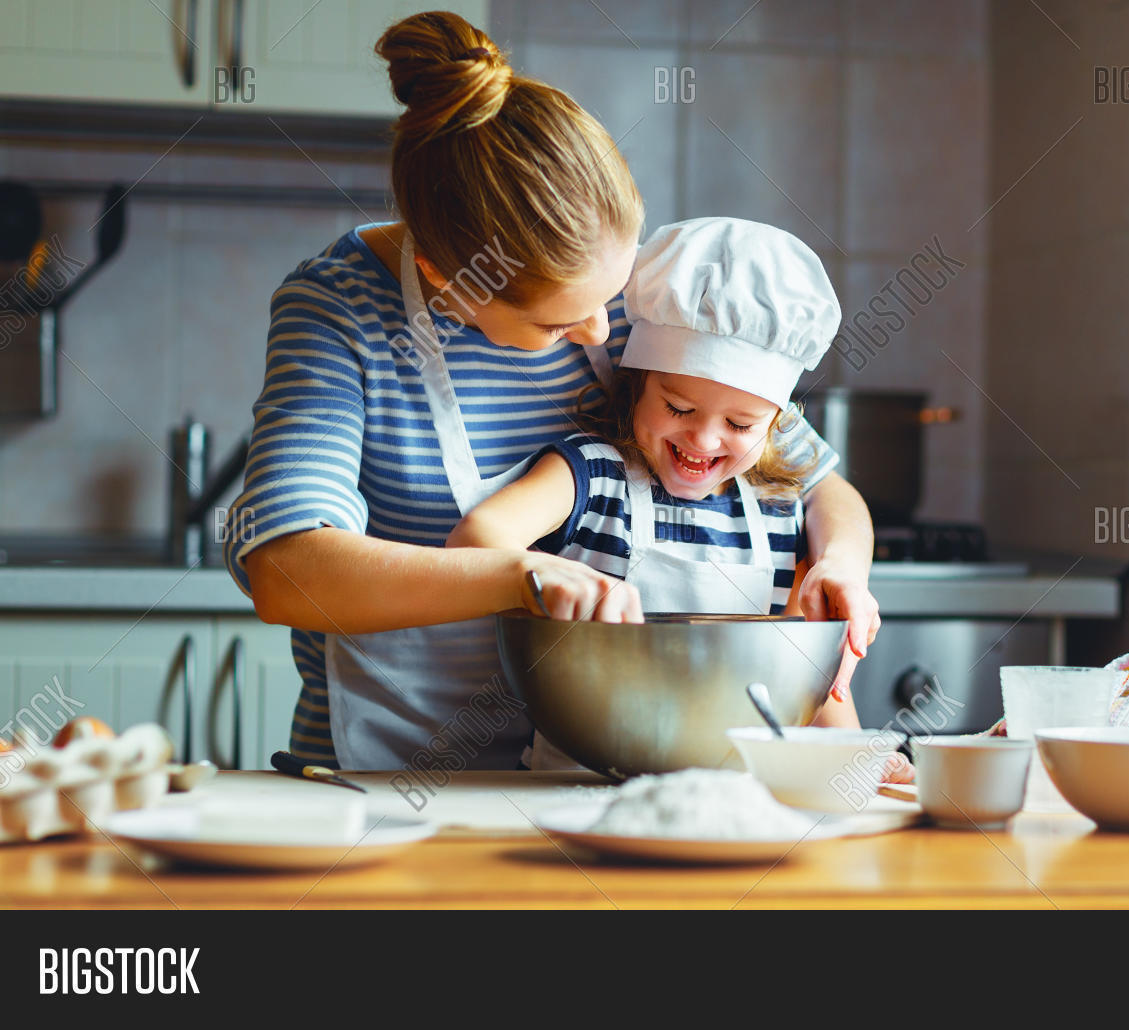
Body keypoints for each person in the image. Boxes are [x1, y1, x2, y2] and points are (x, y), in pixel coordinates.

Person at [223, 10, 880, 771]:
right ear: (448, 278)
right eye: (560, 322)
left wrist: (840, 566)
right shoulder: (340, 312)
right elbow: (288, 572)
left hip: (596, 782)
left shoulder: (653, 304)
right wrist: (518, 574)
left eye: (612, 296)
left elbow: (815, 482)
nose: (604, 332)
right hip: (395, 777)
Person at [448, 218, 912, 780]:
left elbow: (834, 505)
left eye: (741, 423)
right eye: (678, 408)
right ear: (637, 384)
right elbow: (475, 539)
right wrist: (541, 577)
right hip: (576, 787)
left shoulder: (778, 504)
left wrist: (840, 568)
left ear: (778, 425)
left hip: (741, 799)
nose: (704, 439)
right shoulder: (592, 474)